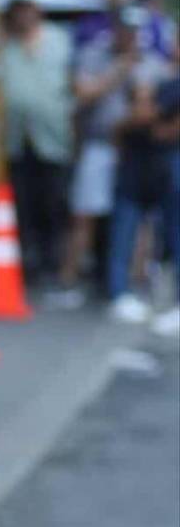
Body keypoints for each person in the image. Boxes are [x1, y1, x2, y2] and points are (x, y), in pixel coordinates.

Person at [59, 7, 167, 305]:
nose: (131, 36)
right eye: (126, 29)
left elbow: (151, 109)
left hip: (137, 152)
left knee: (138, 218)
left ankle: (131, 283)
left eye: (136, 31)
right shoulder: (95, 54)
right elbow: (85, 94)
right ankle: (71, 282)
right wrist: (121, 68)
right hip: (99, 144)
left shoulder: (154, 64)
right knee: (85, 214)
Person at [106, 33, 180, 330]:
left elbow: (165, 130)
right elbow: (124, 126)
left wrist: (153, 118)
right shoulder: (157, 75)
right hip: (138, 172)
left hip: (168, 173)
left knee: (173, 238)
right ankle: (120, 292)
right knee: (125, 233)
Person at [0, 0, 74, 284]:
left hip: (54, 138)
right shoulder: (4, 46)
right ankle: (27, 265)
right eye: (17, 12)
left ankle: (54, 264)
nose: (23, 17)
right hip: (17, 141)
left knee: (54, 204)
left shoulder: (60, 41)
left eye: (27, 11)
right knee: (23, 205)